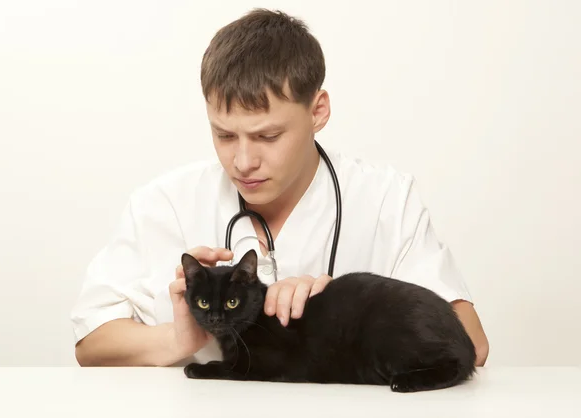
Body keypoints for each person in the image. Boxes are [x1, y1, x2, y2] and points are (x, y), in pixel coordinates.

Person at [71, 8, 489, 368]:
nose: (243, 162)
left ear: (318, 111)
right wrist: (178, 340)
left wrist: (347, 300)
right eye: (224, 135)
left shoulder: (385, 199)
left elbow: (471, 342)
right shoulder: (164, 202)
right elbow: (91, 342)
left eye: (268, 137)